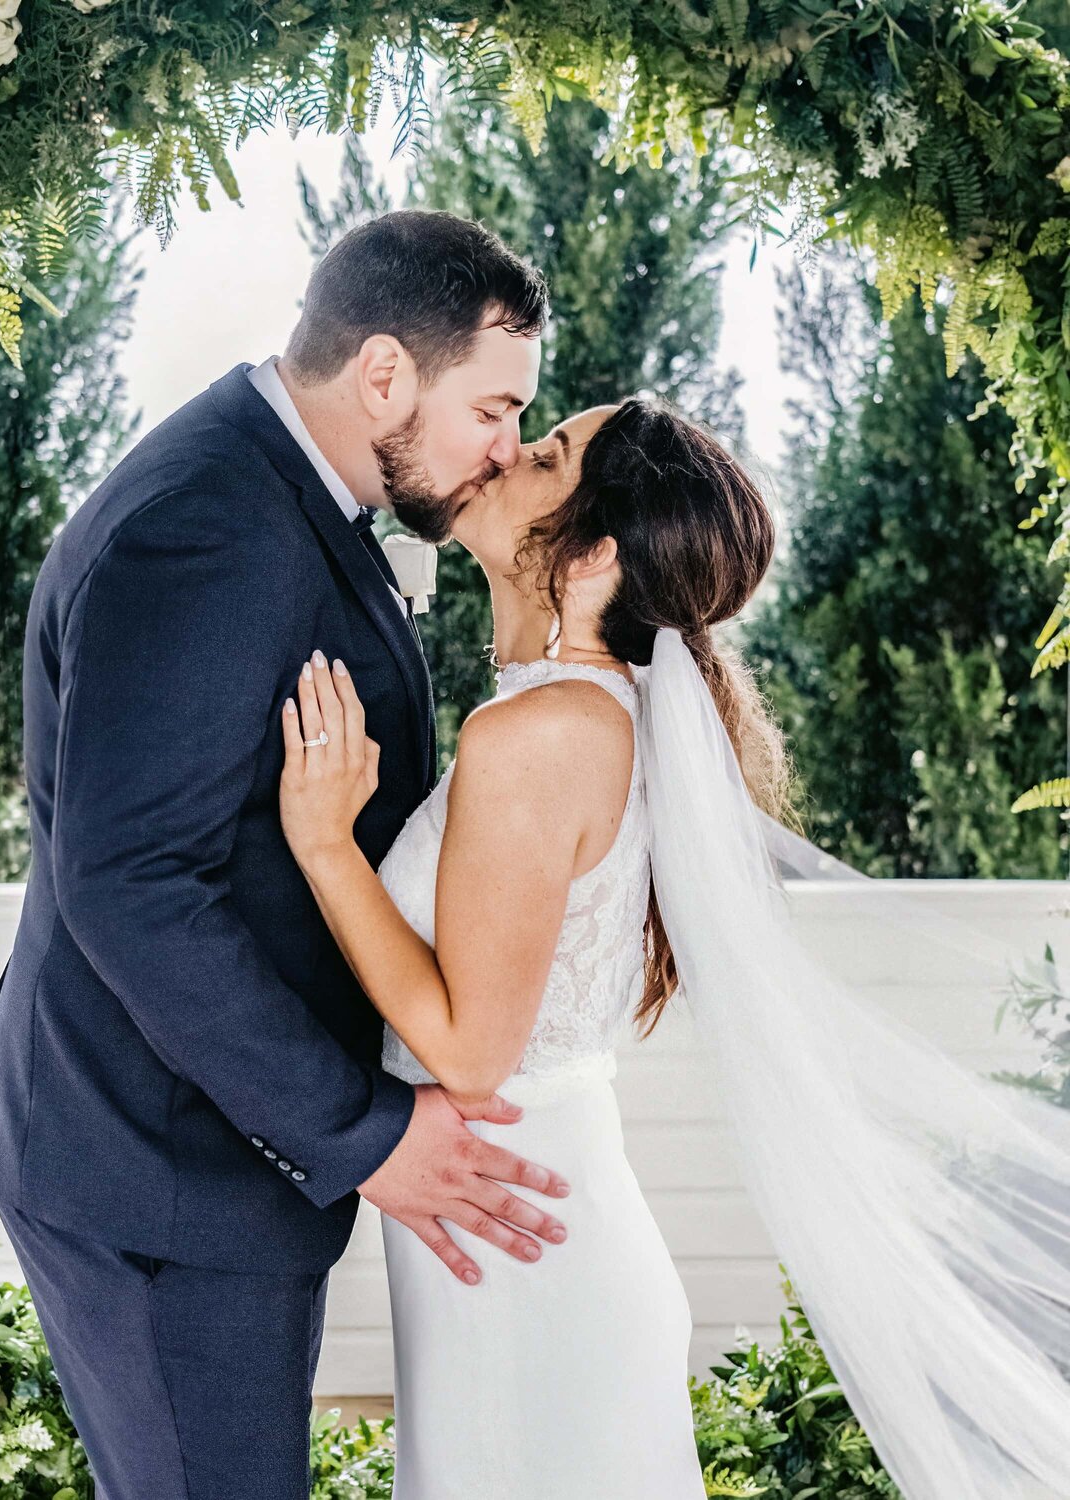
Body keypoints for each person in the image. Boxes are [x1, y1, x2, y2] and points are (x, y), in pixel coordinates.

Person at [279, 395, 1070, 1499]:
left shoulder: (540, 733)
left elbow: (469, 1052)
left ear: (595, 554)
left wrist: (326, 849)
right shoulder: (583, 714)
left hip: (525, 1266)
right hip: (522, 1237)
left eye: (547, 453)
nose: (509, 450)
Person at [0, 210, 577, 1500]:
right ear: (386, 373)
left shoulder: (283, 485)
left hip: (197, 1151)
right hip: (162, 1173)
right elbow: (131, 884)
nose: (505, 449)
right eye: (495, 408)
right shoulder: (212, 522)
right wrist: (366, 1135)